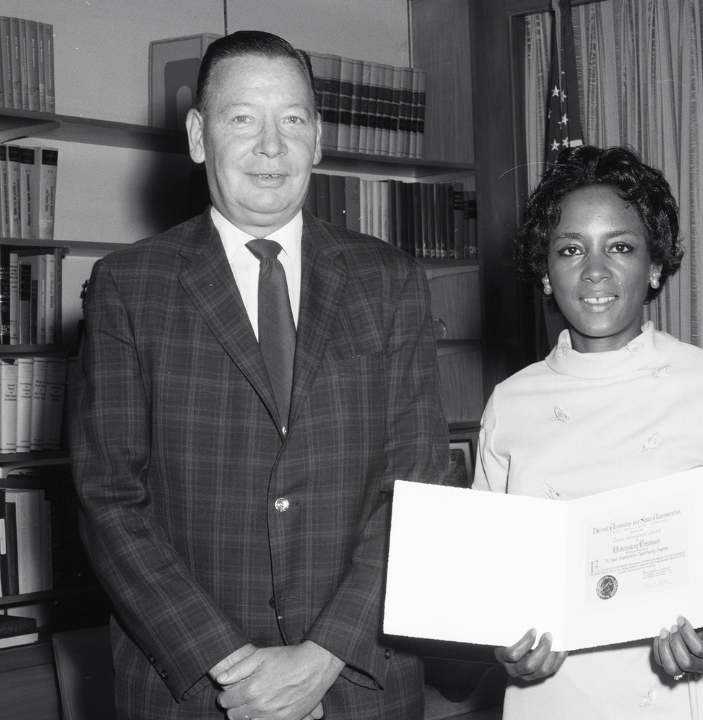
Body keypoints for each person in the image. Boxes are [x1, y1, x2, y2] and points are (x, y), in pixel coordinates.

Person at [70, 31, 447, 720]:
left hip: (359, 683)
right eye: (242, 118)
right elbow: (110, 500)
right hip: (191, 690)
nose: (271, 146)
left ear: (319, 138)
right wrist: (232, 669)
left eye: (293, 120)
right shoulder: (128, 286)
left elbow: (418, 487)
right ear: (197, 135)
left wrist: (319, 660)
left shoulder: (391, 282)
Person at [472, 145, 703, 719]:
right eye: (571, 249)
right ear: (546, 273)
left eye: (622, 247)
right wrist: (500, 650)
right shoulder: (510, 402)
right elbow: (493, 579)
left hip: (678, 693)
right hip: (547, 697)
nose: (596, 271)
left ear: (655, 266)